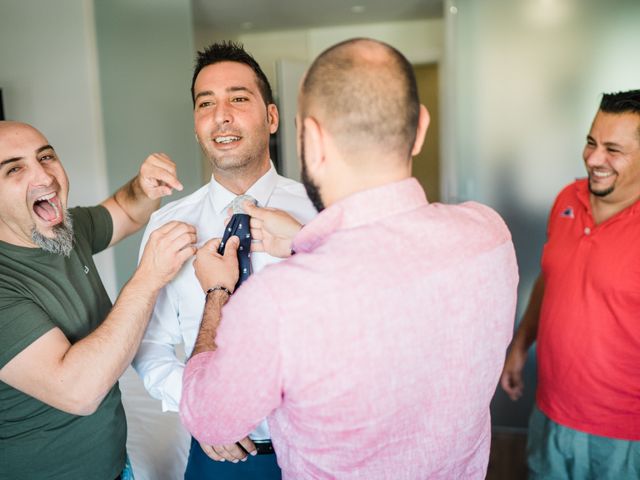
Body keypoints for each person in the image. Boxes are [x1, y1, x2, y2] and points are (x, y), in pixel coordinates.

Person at [180, 38, 519, 479]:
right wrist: (308, 238)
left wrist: (217, 291)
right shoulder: (488, 233)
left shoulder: (278, 301)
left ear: (310, 139)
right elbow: (388, 276)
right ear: (420, 127)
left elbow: (209, 417)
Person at [132, 41, 316, 479]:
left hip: (320, 447)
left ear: (271, 117)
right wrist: (202, 408)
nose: (221, 115)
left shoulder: (321, 209)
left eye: (238, 98)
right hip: (220, 459)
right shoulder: (167, 227)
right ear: (196, 125)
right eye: (205, 103)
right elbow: (149, 345)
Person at [0, 121, 196, 479]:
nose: (44, 176)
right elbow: (78, 391)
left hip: (114, 466)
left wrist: (143, 185)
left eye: (46, 157)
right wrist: (150, 276)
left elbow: (125, 209)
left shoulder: (63, 231)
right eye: (14, 168)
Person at [500, 89, 640, 478]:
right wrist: (521, 343)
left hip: (624, 436)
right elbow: (553, 277)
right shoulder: (567, 198)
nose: (594, 158)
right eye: (591, 142)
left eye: (613, 149)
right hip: (550, 412)